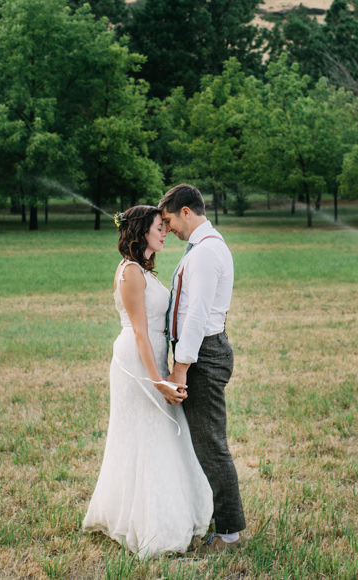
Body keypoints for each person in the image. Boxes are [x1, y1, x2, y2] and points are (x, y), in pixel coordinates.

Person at [82, 204, 213, 557]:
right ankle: (149, 522)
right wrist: (158, 381)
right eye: (159, 226)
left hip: (153, 359)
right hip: (137, 363)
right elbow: (140, 332)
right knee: (145, 434)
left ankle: (176, 509)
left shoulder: (145, 271)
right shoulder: (130, 274)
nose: (165, 231)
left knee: (162, 433)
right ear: (140, 231)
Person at [158, 184, 247, 553]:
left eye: (169, 220)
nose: (168, 229)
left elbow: (195, 318)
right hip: (203, 353)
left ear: (186, 213)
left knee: (212, 445)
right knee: (206, 443)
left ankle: (229, 534)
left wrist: (179, 371)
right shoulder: (203, 248)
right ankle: (217, 518)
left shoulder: (206, 253)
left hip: (203, 357)